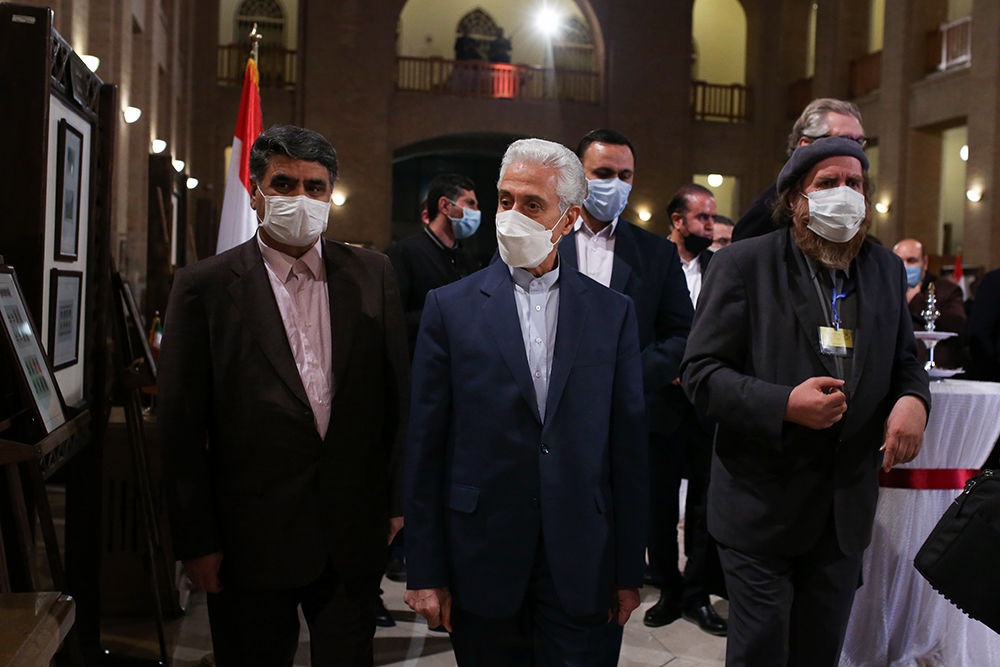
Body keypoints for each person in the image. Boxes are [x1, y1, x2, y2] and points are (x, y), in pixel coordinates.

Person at [159, 125, 410, 666]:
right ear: (255, 193)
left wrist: (396, 502)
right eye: (284, 184)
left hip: (351, 532)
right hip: (249, 539)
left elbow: (397, 399)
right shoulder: (204, 286)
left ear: (330, 194)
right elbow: (180, 428)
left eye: (315, 186)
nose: (301, 197)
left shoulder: (373, 273)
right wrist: (195, 540)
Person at [681, 136, 931, 667]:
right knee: (762, 654)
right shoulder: (744, 265)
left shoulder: (883, 269)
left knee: (819, 653)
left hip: (842, 512)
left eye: (854, 183)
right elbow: (700, 375)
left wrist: (913, 400)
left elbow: (905, 362)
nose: (844, 193)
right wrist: (783, 404)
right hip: (761, 506)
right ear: (796, 198)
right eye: (827, 183)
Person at [404, 138, 648, 664]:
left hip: (584, 561)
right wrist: (424, 570)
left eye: (532, 204)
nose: (512, 215)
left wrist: (630, 570)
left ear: (569, 218)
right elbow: (424, 449)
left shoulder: (612, 313)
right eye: (505, 200)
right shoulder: (449, 308)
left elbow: (628, 451)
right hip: (481, 556)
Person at [733, 98, 866, 242]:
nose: (855, 150)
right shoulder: (768, 209)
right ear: (806, 145)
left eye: (859, 141)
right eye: (844, 140)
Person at [386, 173, 481, 357]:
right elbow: (393, 318)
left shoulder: (467, 260)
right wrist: (445, 315)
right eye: (470, 204)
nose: (476, 212)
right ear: (445, 206)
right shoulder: (404, 253)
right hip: (418, 358)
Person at [892, 238, 966, 368]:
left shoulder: (946, 289)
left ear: (925, 263)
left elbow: (957, 323)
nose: (904, 266)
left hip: (932, 368)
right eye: (899, 261)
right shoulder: (884, 289)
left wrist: (916, 300)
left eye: (911, 260)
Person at [668, 184, 716, 308]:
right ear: (677, 220)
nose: (711, 226)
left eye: (713, 218)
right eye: (703, 217)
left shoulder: (716, 264)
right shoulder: (652, 260)